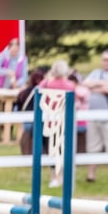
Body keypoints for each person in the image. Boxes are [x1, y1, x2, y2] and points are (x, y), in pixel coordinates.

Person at [82, 49, 108, 184]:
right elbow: (84, 85)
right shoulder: (96, 72)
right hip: (93, 115)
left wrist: (95, 85)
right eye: (105, 59)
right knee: (93, 146)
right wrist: (101, 84)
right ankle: (91, 176)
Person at [39, 60, 78, 188]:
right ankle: (62, 176)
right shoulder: (70, 85)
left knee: (52, 149)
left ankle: (54, 177)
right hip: (65, 120)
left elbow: (38, 90)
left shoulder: (48, 83)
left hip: (50, 120)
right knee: (63, 148)